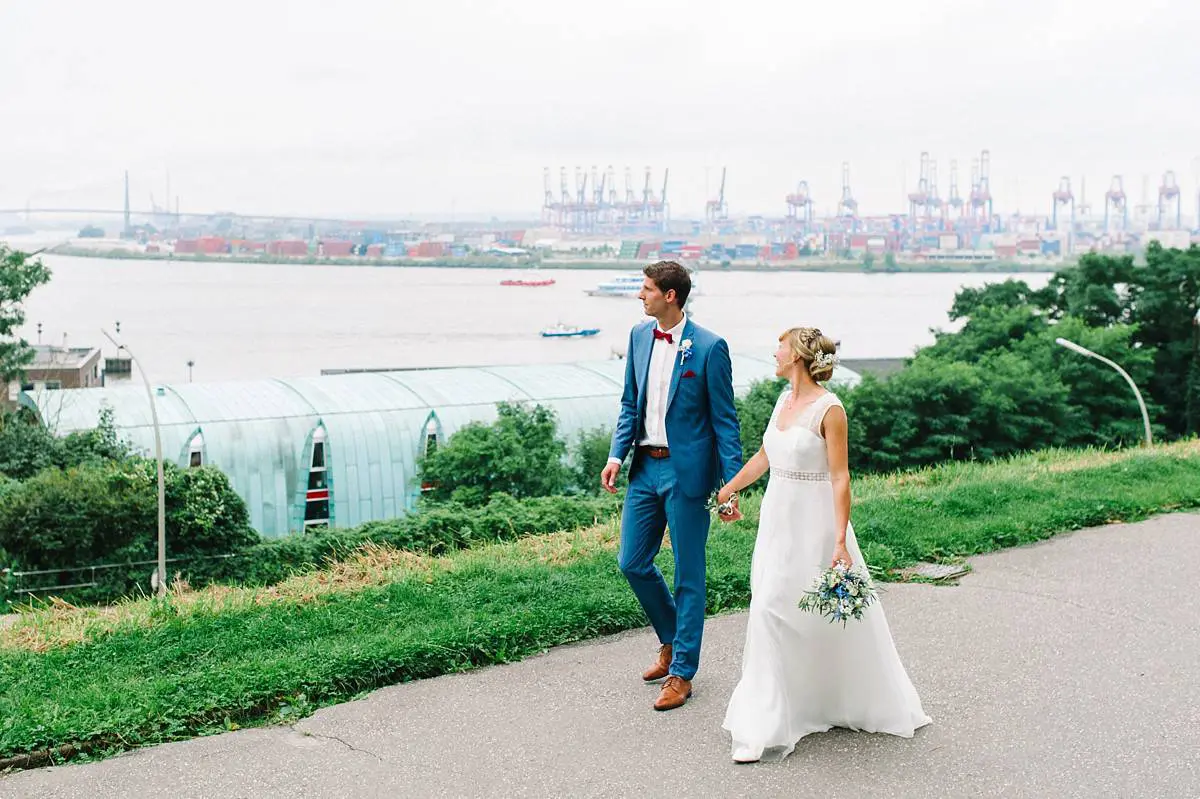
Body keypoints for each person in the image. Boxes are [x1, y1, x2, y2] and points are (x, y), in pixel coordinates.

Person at [718, 327, 931, 763]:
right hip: (778, 523)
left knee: (818, 617)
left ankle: (827, 700)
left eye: (779, 347)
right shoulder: (783, 401)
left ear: (796, 355)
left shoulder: (830, 410)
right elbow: (766, 455)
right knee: (768, 607)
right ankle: (767, 720)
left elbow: (840, 476)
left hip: (816, 525)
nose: (773, 353)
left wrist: (839, 539)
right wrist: (729, 489)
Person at [601, 260, 743, 711]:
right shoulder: (639, 337)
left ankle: (682, 671)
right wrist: (615, 455)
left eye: (646, 290)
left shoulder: (709, 347)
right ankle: (669, 638)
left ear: (671, 296)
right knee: (632, 562)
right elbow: (630, 402)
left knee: (688, 574)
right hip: (644, 469)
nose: (640, 296)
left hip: (688, 476)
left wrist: (730, 484)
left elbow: (726, 421)